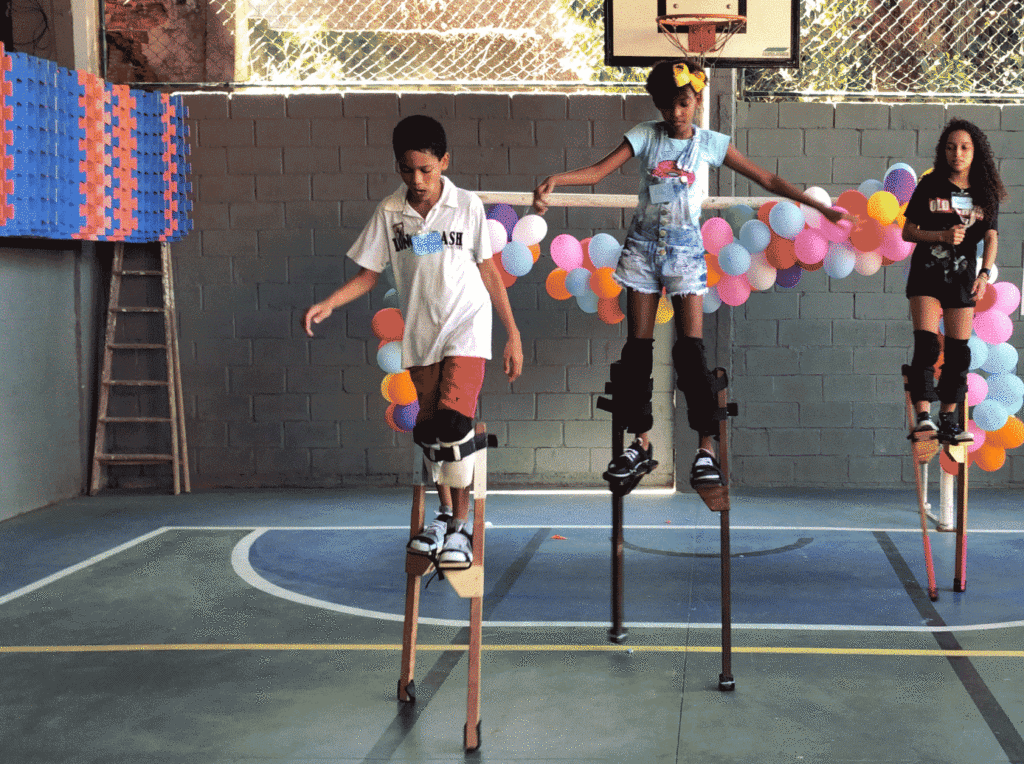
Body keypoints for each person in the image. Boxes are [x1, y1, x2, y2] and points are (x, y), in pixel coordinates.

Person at [532, 58, 848, 488]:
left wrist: (819, 206)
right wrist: (557, 179)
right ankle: (640, 444)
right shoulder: (646, 135)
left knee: (690, 352)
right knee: (637, 351)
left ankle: (706, 449)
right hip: (642, 252)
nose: (675, 113)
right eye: (667, 105)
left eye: (683, 103)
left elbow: (767, 177)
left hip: (684, 255)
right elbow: (600, 170)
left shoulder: (712, 144)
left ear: (697, 99)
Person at [304, 115, 523, 568]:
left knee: (452, 429)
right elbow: (368, 274)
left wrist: (513, 334)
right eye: (407, 170)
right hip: (421, 336)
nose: (417, 180)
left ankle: (461, 529)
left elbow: (490, 273)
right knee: (429, 434)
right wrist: (331, 302)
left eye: (426, 169)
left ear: (444, 161)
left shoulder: (467, 207)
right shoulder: (390, 212)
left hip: (467, 329)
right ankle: (443, 515)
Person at [902, 118, 1007, 443]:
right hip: (927, 275)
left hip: (961, 279)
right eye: (950, 147)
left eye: (964, 147)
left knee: (959, 353)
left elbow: (991, 237)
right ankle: (923, 417)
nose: (957, 154)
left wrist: (985, 274)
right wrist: (942, 235)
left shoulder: (984, 193)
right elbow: (908, 231)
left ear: (975, 152)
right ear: (943, 151)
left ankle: (948, 419)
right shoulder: (931, 185)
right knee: (929, 345)